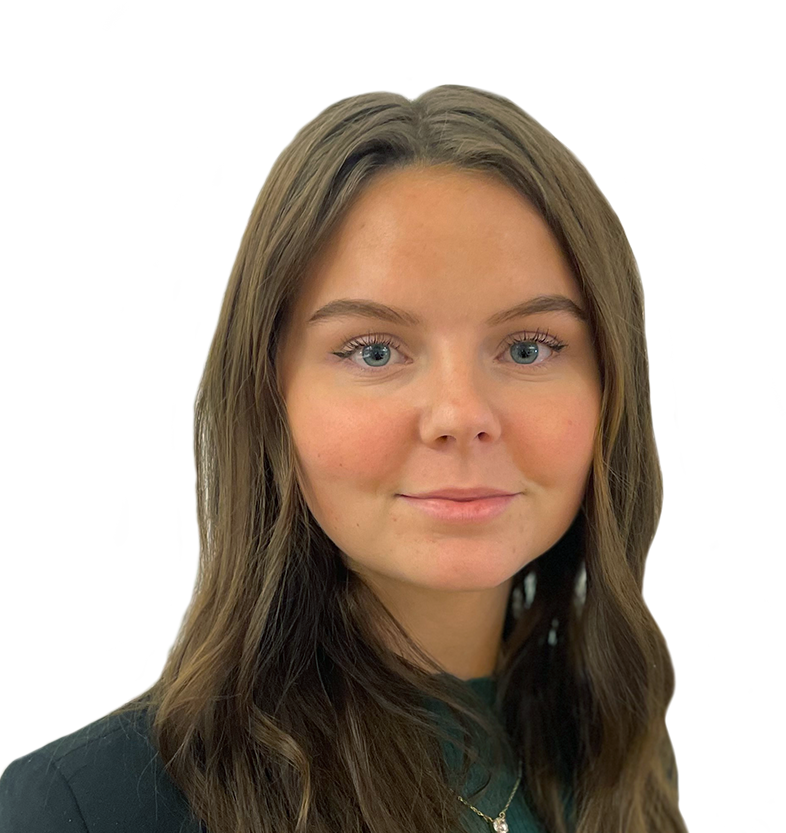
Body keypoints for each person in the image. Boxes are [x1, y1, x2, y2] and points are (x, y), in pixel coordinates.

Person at [0, 84, 684, 833]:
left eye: (529, 347)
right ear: (269, 398)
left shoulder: (619, 754)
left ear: (610, 388)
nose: (461, 415)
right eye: (374, 351)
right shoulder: (89, 807)